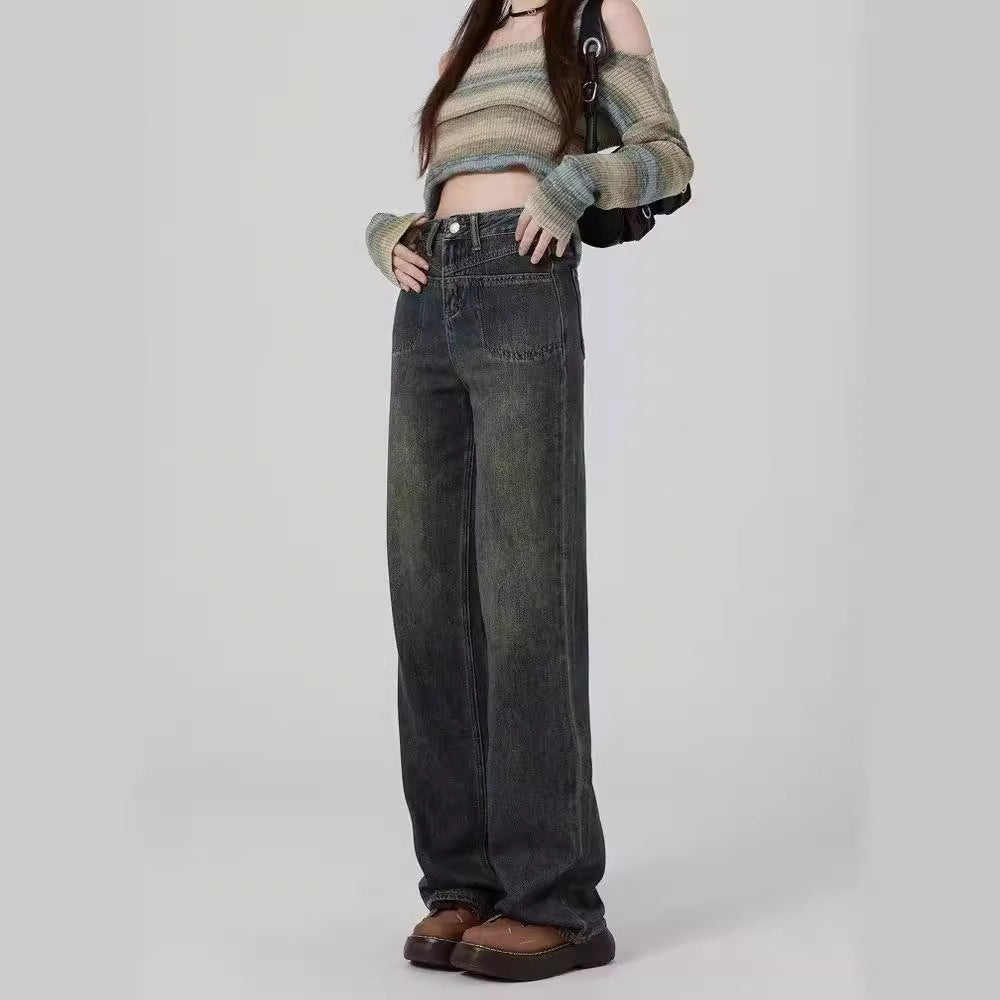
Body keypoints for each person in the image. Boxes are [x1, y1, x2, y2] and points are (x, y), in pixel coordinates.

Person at [364, 0, 693, 982]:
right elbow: (454, 175)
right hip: (428, 303)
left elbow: (669, 157)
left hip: (522, 281)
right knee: (428, 598)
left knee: (522, 597)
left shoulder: (595, 14)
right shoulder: (466, 38)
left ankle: (554, 901)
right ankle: (461, 881)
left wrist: (576, 182)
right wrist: (394, 231)